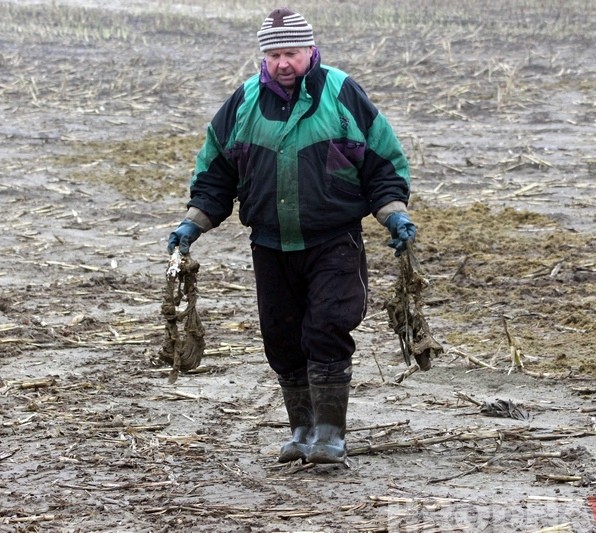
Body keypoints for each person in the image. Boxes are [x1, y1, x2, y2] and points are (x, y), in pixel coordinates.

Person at [167, 7, 417, 464]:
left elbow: (382, 163)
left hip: (333, 239)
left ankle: (329, 434)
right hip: (269, 242)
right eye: (275, 54)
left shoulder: (342, 93)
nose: (284, 63)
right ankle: (300, 429)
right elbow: (216, 172)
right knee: (281, 338)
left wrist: (394, 214)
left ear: (311, 51)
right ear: (264, 56)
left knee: (326, 326)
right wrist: (193, 223)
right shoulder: (243, 102)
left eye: (293, 53)